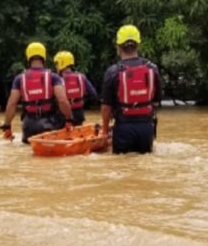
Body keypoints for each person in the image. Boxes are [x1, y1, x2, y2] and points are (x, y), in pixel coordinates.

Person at [100, 24, 162, 154]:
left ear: (118, 47)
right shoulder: (153, 69)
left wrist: (105, 130)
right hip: (146, 129)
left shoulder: (113, 72)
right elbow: (156, 101)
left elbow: (106, 108)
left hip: (123, 128)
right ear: (138, 45)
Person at [0, 42, 74, 143]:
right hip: (48, 125)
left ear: (28, 57)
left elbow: (11, 104)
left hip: (28, 126)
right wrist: (69, 119)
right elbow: (62, 100)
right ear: (43, 57)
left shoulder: (19, 79)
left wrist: (7, 126)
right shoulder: (53, 77)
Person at [53, 50, 98, 126]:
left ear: (62, 63)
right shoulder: (81, 77)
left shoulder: (57, 79)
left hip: (62, 116)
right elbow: (93, 94)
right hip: (78, 114)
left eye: (57, 64)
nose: (56, 66)